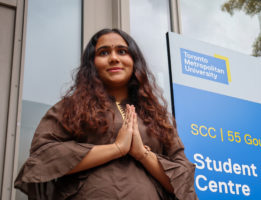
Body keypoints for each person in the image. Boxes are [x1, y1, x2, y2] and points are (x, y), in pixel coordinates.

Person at [15, 28, 198, 200]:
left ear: (134, 60)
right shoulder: (71, 108)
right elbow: (44, 156)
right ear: (92, 64)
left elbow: (183, 178)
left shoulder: (155, 116)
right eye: (103, 52)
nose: (114, 58)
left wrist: (142, 154)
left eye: (122, 51)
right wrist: (116, 149)